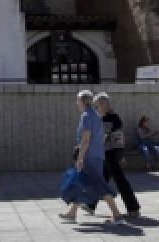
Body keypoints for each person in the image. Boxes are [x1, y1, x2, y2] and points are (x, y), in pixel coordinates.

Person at [59, 90, 125, 226]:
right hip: (96, 155)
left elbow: (86, 139)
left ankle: (117, 216)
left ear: (83, 101)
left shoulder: (86, 116)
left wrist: (80, 158)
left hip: (90, 157)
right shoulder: (95, 115)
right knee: (82, 182)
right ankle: (72, 213)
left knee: (98, 184)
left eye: (77, 100)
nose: (76, 103)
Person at [85, 93, 140, 217]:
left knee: (119, 180)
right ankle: (90, 205)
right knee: (102, 179)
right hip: (110, 152)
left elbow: (104, 136)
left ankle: (133, 208)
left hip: (110, 153)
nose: (95, 108)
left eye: (96, 105)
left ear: (104, 105)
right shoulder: (111, 117)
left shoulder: (110, 118)